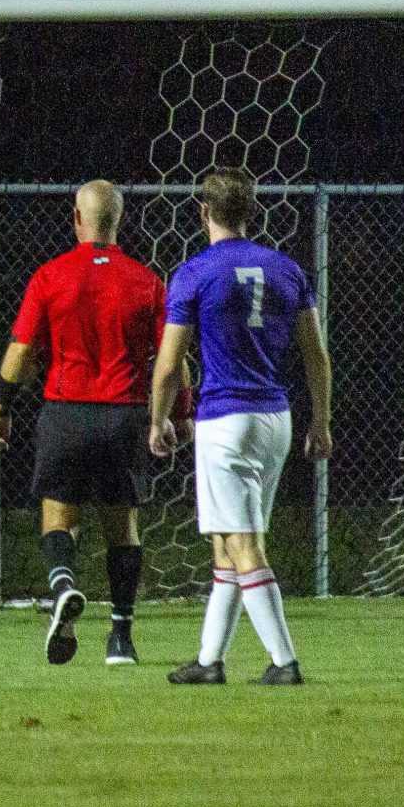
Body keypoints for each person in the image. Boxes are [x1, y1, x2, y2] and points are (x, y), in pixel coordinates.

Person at [148, 168, 331, 685]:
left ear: (202, 211)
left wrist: (159, 420)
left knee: (245, 546)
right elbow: (316, 356)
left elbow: (168, 365)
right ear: (251, 211)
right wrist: (321, 421)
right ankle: (209, 661)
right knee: (227, 545)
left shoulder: (193, 272)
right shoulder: (286, 269)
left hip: (226, 419)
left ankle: (284, 662)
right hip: (276, 418)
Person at [0, 180, 166, 666]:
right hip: (123, 415)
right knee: (121, 527)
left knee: (58, 517)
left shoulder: (50, 276)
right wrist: (180, 411)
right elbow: (170, 356)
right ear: (118, 221)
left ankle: (64, 585)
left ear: (77, 219)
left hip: (65, 413)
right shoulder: (145, 280)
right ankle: (121, 639)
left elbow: (21, 352)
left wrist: (1, 406)